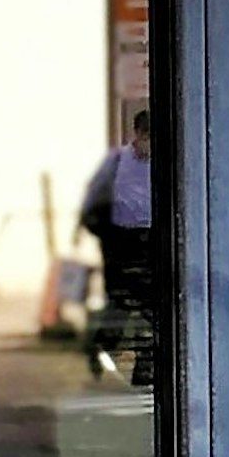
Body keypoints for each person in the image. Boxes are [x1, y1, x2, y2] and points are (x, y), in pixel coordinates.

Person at [78, 107, 157, 370]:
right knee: (121, 302)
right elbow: (94, 193)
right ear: (137, 133)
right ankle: (102, 348)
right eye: (146, 135)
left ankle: (146, 363)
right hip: (121, 240)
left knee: (152, 303)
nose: (149, 142)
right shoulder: (118, 160)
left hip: (153, 238)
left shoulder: (166, 162)